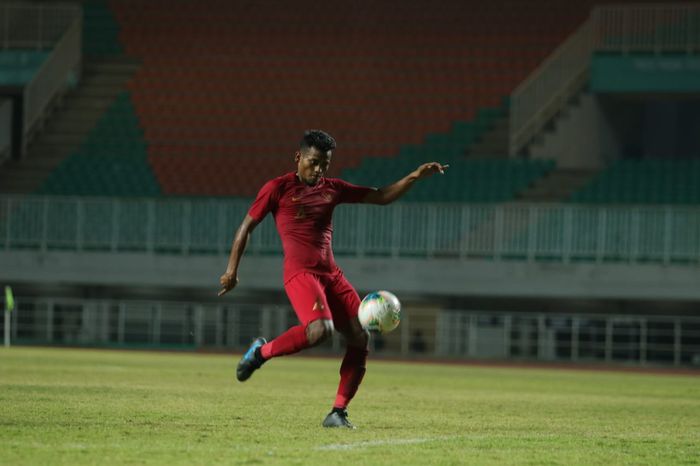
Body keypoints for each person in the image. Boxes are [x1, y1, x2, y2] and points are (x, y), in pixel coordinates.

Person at [218, 129, 447, 429]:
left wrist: (414, 176)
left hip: (332, 275)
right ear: (298, 157)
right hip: (301, 273)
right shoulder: (277, 188)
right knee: (320, 331)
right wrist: (232, 270)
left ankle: (337, 412)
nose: (319, 170)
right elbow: (246, 226)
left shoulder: (333, 188)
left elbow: (380, 197)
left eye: (325, 164)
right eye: (313, 162)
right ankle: (260, 353)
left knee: (359, 337)